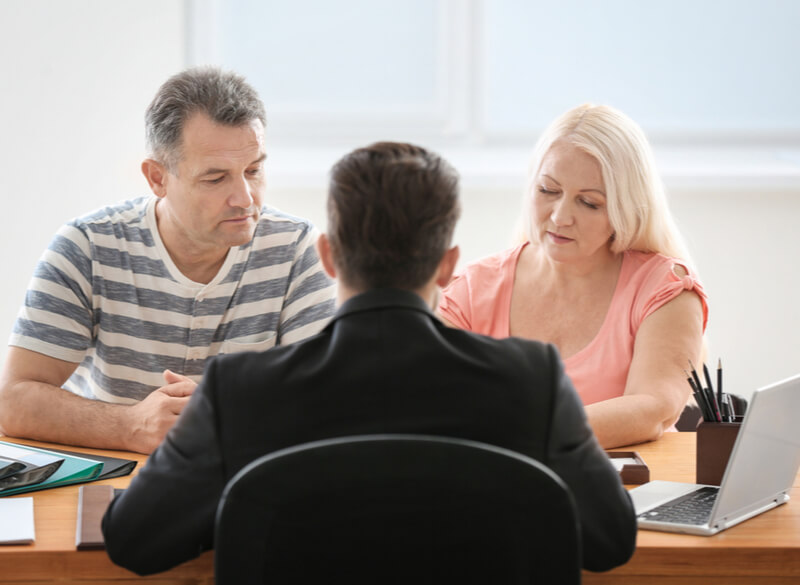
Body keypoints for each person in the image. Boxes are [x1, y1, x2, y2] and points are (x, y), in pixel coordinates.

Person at [101, 141, 636, 576]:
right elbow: (610, 540)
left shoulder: (239, 390)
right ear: (449, 266)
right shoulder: (531, 381)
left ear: (328, 256)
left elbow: (135, 541)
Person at [0, 67, 336, 454]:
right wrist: (130, 425)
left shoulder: (296, 250)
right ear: (157, 178)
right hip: (114, 492)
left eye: (254, 170)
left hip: (244, 492)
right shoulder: (87, 247)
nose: (245, 198)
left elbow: (324, 409)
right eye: (215, 179)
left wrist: (225, 415)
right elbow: (13, 400)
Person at [439, 103, 708, 449]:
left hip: (629, 494)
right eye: (548, 191)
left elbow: (653, 409)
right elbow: (431, 399)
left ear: (625, 208)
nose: (560, 217)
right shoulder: (474, 288)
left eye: (589, 202)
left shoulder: (666, 288)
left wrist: (520, 431)